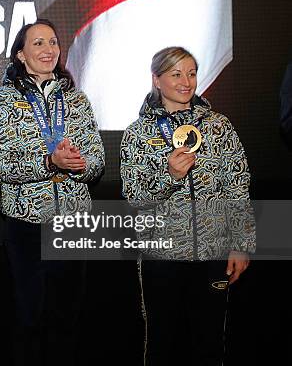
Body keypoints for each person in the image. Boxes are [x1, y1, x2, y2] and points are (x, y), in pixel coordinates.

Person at [120, 46, 256, 366]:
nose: (186, 82)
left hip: (212, 253)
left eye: (192, 73)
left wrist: (241, 243)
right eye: (176, 74)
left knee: (209, 343)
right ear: (157, 79)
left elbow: (238, 186)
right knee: (162, 344)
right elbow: (136, 198)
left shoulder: (218, 126)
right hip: (162, 255)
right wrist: (170, 176)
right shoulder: (138, 134)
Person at [0, 19, 105, 365]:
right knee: (28, 317)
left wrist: (81, 164)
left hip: (72, 223)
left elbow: (97, 158)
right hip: (26, 225)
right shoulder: (5, 101)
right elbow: (4, 164)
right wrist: (50, 162)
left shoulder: (76, 98)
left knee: (67, 317)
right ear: (21, 55)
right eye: (37, 43)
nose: (47, 49)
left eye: (52, 42)